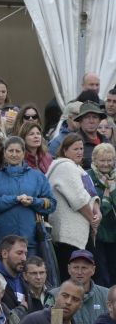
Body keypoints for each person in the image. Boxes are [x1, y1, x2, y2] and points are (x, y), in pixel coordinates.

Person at [0, 136, 56, 258]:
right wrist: (14, 199)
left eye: (18, 151)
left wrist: (34, 201)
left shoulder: (37, 177)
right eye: (10, 151)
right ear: (5, 153)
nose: (14, 154)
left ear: (24, 154)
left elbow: (52, 204)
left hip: (30, 241)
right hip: (1, 241)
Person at [47, 134, 99, 280]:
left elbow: (92, 194)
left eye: (82, 148)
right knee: (71, 279)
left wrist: (97, 211)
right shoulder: (65, 166)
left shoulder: (77, 168)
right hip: (68, 237)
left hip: (80, 234)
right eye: (75, 148)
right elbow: (79, 199)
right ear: (64, 150)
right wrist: (93, 220)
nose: (80, 152)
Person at [90, 143, 116, 287]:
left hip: (114, 234)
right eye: (102, 160)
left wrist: (110, 192)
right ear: (94, 160)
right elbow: (97, 208)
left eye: (109, 160)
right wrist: (105, 201)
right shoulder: (88, 176)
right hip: (97, 234)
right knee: (102, 275)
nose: (106, 164)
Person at [0, 234, 30, 311]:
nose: (24, 258)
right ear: (5, 254)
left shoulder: (24, 280)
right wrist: (21, 309)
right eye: (19, 253)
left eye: (25, 254)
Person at [78, 101, 111, 168]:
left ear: (99, 120)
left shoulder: (106, 141)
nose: (91, 121)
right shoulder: (74, 142)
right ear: (80, 121)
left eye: (95, 117)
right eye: (87, 117)